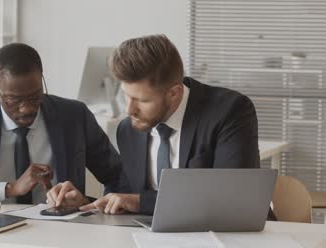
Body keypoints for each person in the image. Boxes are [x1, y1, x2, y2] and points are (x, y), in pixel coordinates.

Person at [48, 34, 261, 215]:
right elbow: (125, 197)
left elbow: (233, 199)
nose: (130, 110)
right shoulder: (128, 130)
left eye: (142, 100)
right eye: (126, 97)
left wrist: (140, 202)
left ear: (174, 93)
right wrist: (85, 203)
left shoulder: (229, 111)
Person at [0, 43, 121, 205]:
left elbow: (119, 177)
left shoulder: (74, 116)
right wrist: (10, 188)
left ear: (42, 79)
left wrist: (91, 204)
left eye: (35, 96)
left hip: (61, 233)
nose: (26, 109)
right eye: (13, 100)